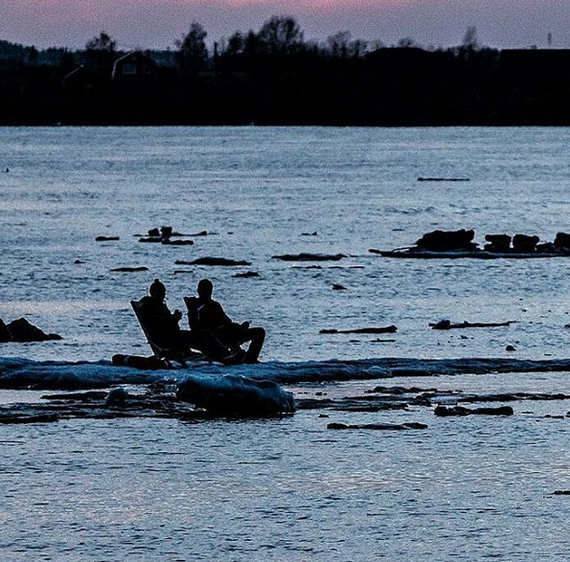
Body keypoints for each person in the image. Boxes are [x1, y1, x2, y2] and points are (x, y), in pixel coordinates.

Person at [138, 279, 244, 364]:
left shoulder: (157, 305)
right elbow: (159, 325)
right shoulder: (149, 306)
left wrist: (174, 319)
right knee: (201, 337)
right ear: (155, 293)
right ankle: (222, 356)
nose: (163, 297)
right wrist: (173, 318)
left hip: (172, 336)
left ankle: (223, 354)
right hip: (167, 339)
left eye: (164, 294)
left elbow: (165, 323)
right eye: (161, 294)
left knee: (205, 334)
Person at [185, 278, 266, 364]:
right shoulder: (195, 306)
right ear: (198, 291)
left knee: (259, 332)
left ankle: (250, 358)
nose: (207, 293)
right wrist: (191, 309)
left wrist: (240, 327)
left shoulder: (214, 304)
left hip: (229, 331)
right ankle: (243, 357)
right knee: (252, 333)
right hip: (217, 336)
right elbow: (195, 327)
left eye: (208, 290)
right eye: (204, 290)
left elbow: (227, 321)